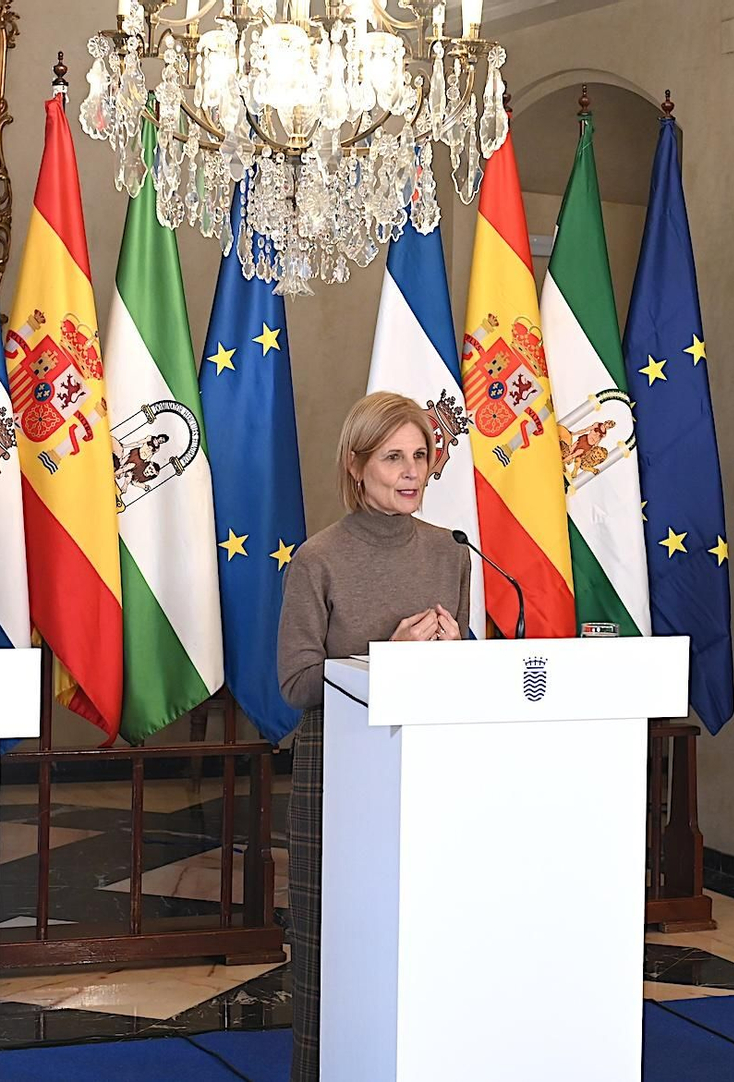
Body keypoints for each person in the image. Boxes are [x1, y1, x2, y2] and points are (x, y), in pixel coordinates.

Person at [276, 391, 472, 1082]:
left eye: (420, 456)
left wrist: (461, 643)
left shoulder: (451, 552)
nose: (411, 471)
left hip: (429, 772)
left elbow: (466, 669)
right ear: (356, 467)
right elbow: (297, 683)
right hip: (339, 773)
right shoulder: (318, 559)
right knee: (337, 946)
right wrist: (381, 655)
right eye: (393, 457)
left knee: (421, 942)